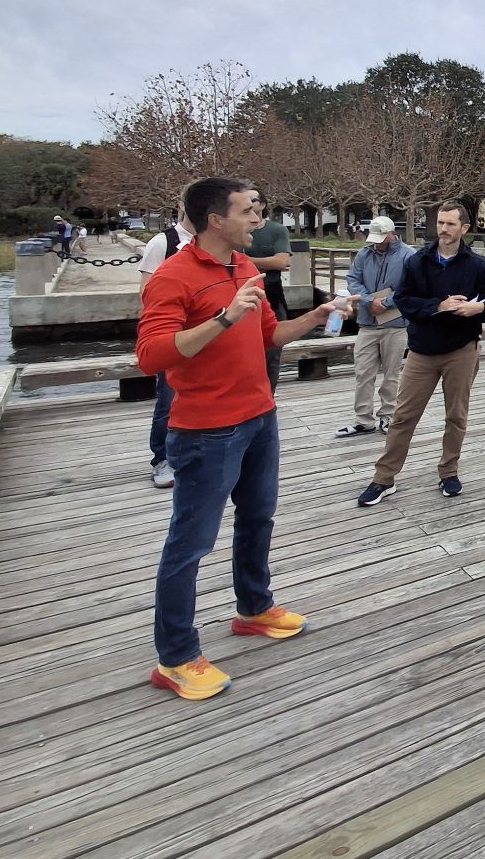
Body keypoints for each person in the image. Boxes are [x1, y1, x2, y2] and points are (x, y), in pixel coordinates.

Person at [137, 176, 354, 700]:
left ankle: (254, 609)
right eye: (249, 212)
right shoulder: (172, 277)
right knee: (190, 544)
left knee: (258, 517)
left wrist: (317, 316)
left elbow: (266, 337)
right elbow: (152, 356)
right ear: (216, 220)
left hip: (259, 417)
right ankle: (176, 657)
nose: (259, 220)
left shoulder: (244, 267)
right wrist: (222, 317)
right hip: (205, 430)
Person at [356, 202, 485, 505]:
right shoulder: (418, 261)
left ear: (464, 228)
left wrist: (480, 308)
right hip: (422, 351)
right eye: (440, 223)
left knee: (456, 416)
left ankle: (449, 472)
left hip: (461, 350)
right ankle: (383, 478)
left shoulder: (475, 264)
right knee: (402, 416)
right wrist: (438, 306)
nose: (444, 229)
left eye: (450, 224)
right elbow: (404, 300)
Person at [337, 216, 410, 437]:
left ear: (391, 233)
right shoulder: (364, 253)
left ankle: (388, 416)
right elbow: (352, 279)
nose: (376, 242)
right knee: (362, 372)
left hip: (396, 323)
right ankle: (363, 419)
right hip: (367, 323)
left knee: (392, 373)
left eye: (381, 238)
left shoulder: (409, 255)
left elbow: (412, 286)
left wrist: (386, 303)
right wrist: (370, 301)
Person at [138, 202, 193, 489]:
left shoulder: (216, 245)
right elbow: (147, 292)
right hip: (175, 337)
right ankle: (162, 457)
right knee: (168, 399)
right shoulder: (163, 243)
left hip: (207, 338)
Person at [246, 200, 293, 391]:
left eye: (253, 199)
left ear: (263, 204)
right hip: (241, 297)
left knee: (272, 353)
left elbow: (282, 261)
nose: (249, 203)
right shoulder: (235, 231)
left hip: (272, 294)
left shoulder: (276, 230)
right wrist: (267, 262)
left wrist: (246, 261)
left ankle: (268, 398)